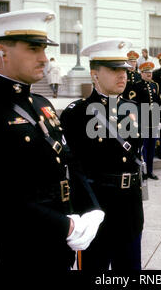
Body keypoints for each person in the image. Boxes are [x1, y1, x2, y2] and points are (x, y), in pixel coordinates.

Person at [0, 9, 104, 270]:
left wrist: (92, 208)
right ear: (2, 52)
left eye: (44, 49)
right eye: (34, 49)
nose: (44, 58)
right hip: (17, 249)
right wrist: (66, 226)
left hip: (59, 244)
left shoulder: (42, 103)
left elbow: (69, 160)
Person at [60, 38, 145, 270]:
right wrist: (82, 213)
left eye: (125, 70)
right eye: (114, 70)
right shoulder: (77, 114)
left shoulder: (135, 110)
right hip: (97, 209)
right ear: (95, 74)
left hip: (130, 209)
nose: (123, 76)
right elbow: (72, 169)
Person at [130, 61, 161, 180]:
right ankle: (141, 172)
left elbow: (159, 102)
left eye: (150, 72)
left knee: (151, 149)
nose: (149, 74)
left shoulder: (155, 86)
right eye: (146, 72)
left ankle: (150, 171)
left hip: (153, 123)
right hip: (142, 122)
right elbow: (133, 105)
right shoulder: (136, 86)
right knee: (142, 149)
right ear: (141, 73)